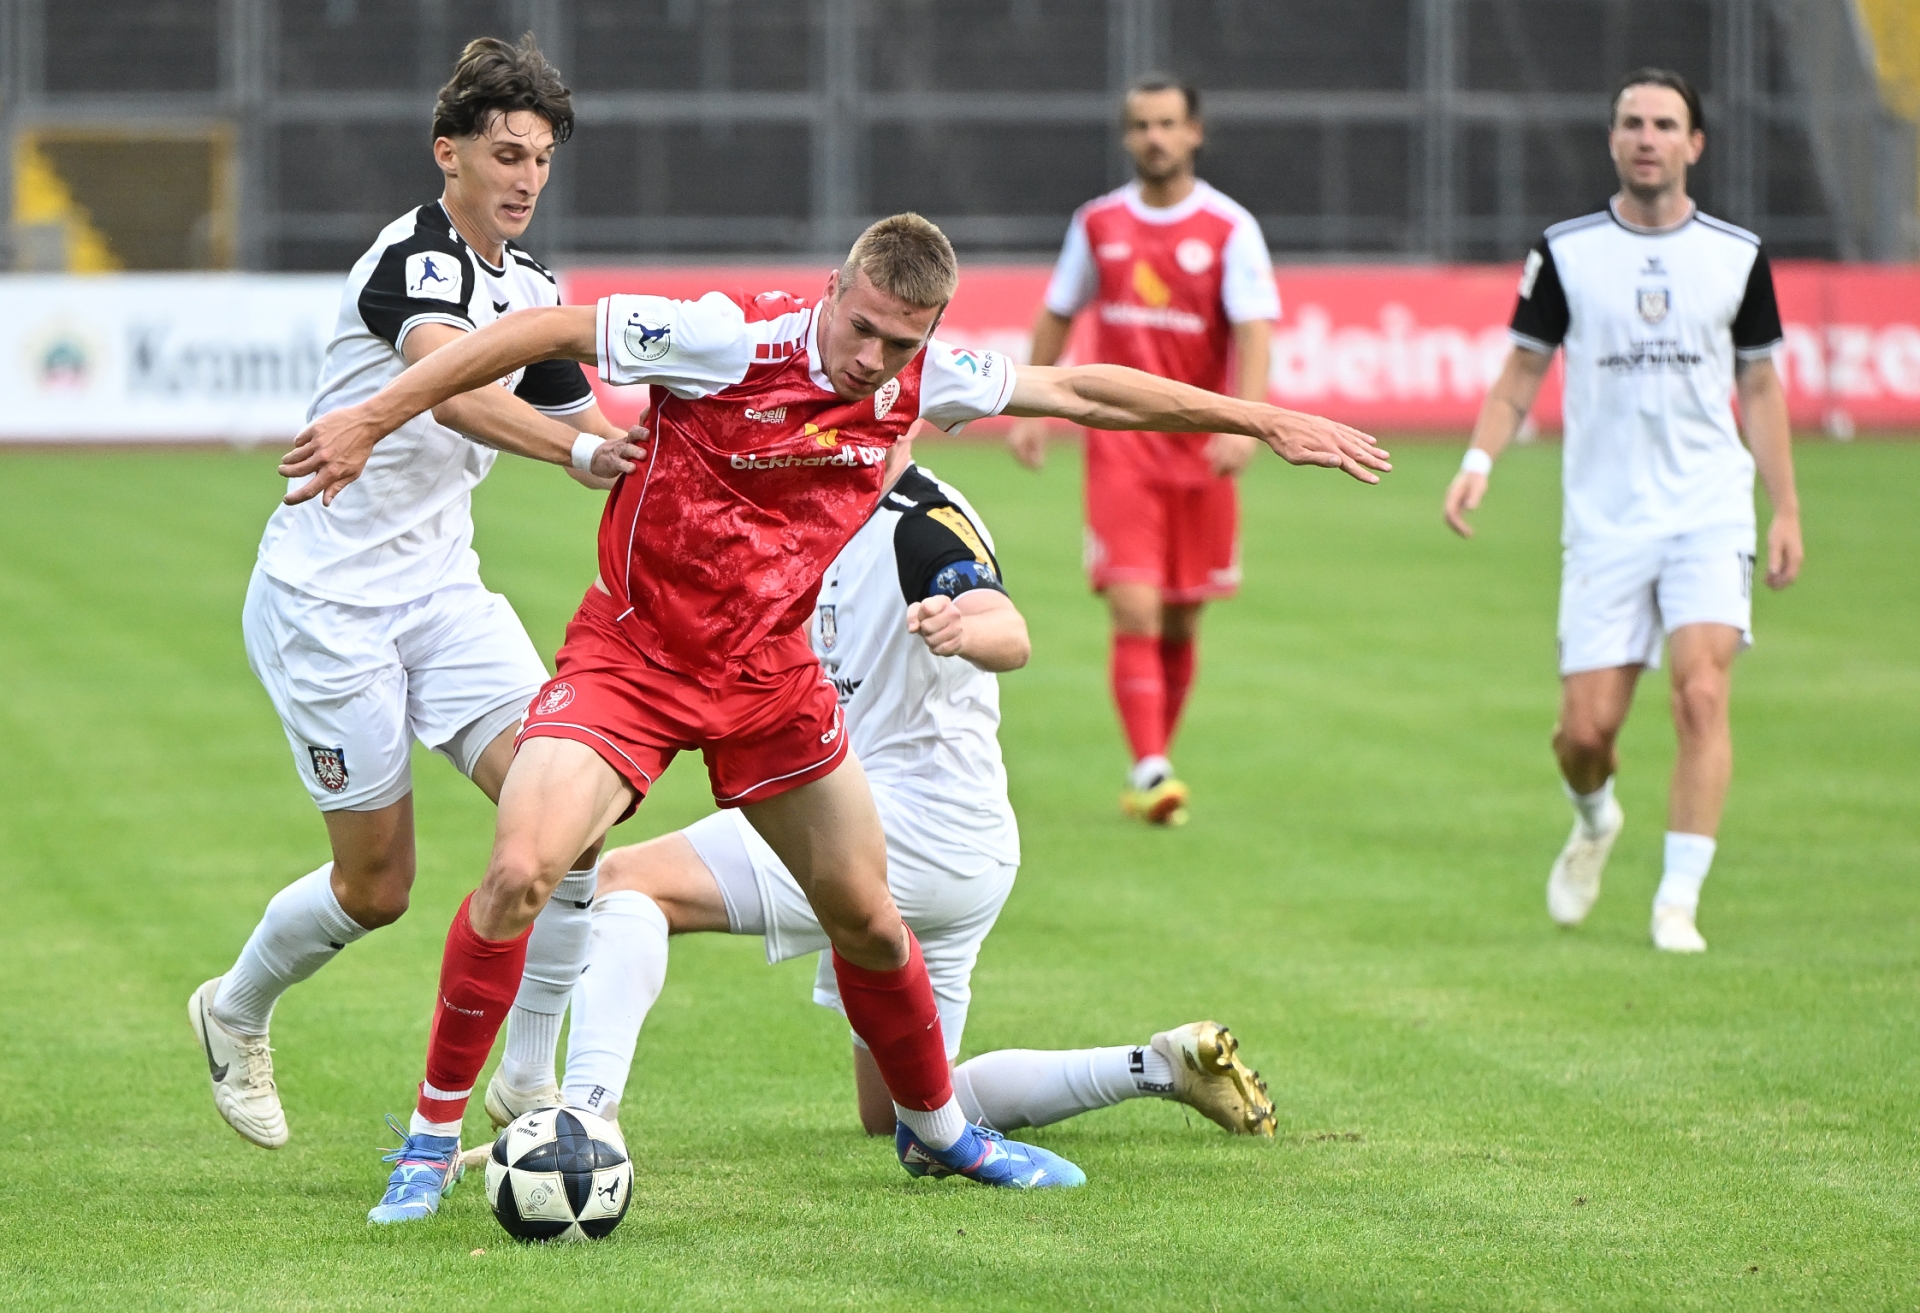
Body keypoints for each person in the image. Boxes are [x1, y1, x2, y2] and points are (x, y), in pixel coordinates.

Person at [280, 212, 1386, 1220]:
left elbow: (1086, 391)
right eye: (862, 329)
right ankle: (428, 1142)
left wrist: (1261, 417)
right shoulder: (723, 339)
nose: (873, 359)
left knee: (870, 919)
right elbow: (545, 330)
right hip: (635, 655)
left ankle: (944, 1132)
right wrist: (373, 414)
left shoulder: (926, 378)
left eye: (901, 344)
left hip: (769, 675)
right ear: (833, 291)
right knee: (522, 870)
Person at [477, 439, 1275, 1155]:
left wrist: (965, 627)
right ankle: (1157, 1065)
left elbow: (1008, 628)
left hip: (909, 830)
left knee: (627, 881)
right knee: (900, 1109)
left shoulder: (920, 521)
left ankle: (581, 1118)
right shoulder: (812, 513)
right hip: (953, 845)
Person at [185, 35, 637, 1151]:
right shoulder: (415, 259)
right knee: (377, 886)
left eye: (542, 159)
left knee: (573, 815)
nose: (527, 179)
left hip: (443, 595)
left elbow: (592, 424)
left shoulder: (531, 288)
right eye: (507, 154)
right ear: (450, 152)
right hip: (327, 606)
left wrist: (677, 455)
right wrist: (583, 456)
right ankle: (234, 1007)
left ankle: (526, 1081)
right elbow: (447, 387)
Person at [1442, 68, 1802, 953]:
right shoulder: (1567, 252)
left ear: (1694, 144)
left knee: (1702, 694)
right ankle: (1596, 816)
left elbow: (1759, 385)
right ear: (1612, 140)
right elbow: (1522, 371)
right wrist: (1479, 459)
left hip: (1709, 508)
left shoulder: (1737, 254)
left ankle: (1677, 901)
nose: (1647, 138)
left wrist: (1785, 506)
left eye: (1665, 124)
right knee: (1585, 733)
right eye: (1632, 123)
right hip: (1604, 521)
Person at [1006, 76, 1280, 827]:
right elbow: (1059, 311)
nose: (1153, 138)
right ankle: (1151, 767)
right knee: (1134, 604)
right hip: (1120, 445)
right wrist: (1028, 407)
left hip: (1199, 449)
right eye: (1140, 125)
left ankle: (1151, 763)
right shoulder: (1098, 223)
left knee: (1183, 619)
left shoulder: (1229, 228)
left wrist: (1245, 424)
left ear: (1194, 132)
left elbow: (1254, 331)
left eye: (1166, 123)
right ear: (1127, 136)